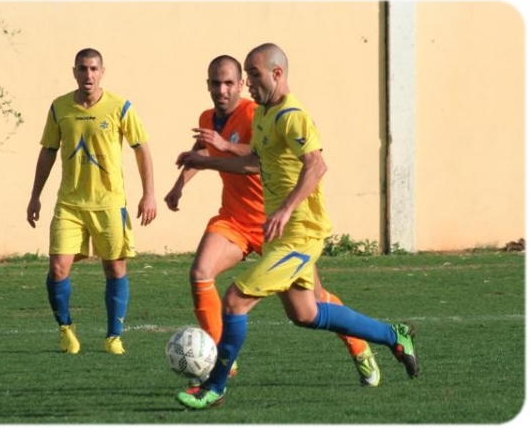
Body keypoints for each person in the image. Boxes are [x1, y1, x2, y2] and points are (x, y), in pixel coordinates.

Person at [175, 43, 419, 409]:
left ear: (277, 74)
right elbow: (255, 163)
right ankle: (393, 335)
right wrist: (205, 162)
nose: (248, 83)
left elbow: (316, 166)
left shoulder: (292, 116)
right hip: (280, 234)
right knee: (305, 313)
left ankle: (214, 387)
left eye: (253, 75)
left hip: (301, 232)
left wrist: (286, 209)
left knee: (236, 299)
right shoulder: (263, 115)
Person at [26, 48, 157, 355]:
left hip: (109, 204)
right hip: (70, 204)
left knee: (115, 269)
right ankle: (65, 329)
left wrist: (149, 193)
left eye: (94, 69)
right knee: (58, 268)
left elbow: (141, 148)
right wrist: (35, 196)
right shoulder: (60, 107)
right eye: (83, 69)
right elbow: (48, 151)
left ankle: (113, 336)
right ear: (74, 72)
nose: (88, 75)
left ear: (102, 72)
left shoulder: (120, 107)